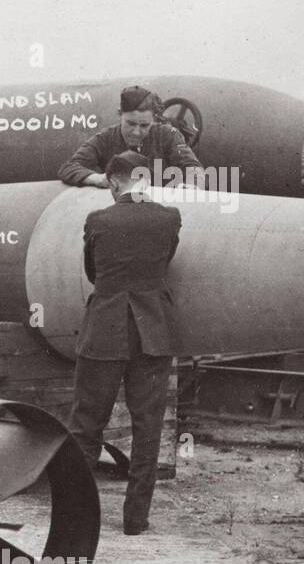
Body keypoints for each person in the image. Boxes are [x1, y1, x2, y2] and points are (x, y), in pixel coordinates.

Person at [68, 150, 182, 536]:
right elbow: (165, 262)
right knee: (147, 427)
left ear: (114, 181)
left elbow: (92, 271)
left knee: (87, 424)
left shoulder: (98, 220)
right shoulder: (169, 218)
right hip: (153, 332)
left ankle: (79, 516)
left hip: (105, 331)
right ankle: (135, 519)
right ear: (144, 180)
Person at [59, 85, 203, 188]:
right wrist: (97, 179)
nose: (136, 132)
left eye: (144, 125)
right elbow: (70, 167)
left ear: (154, 120)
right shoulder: (104, 139)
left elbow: (193, 167)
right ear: (120, 115)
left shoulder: (168, 135)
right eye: (130, 123)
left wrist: (192, 186)